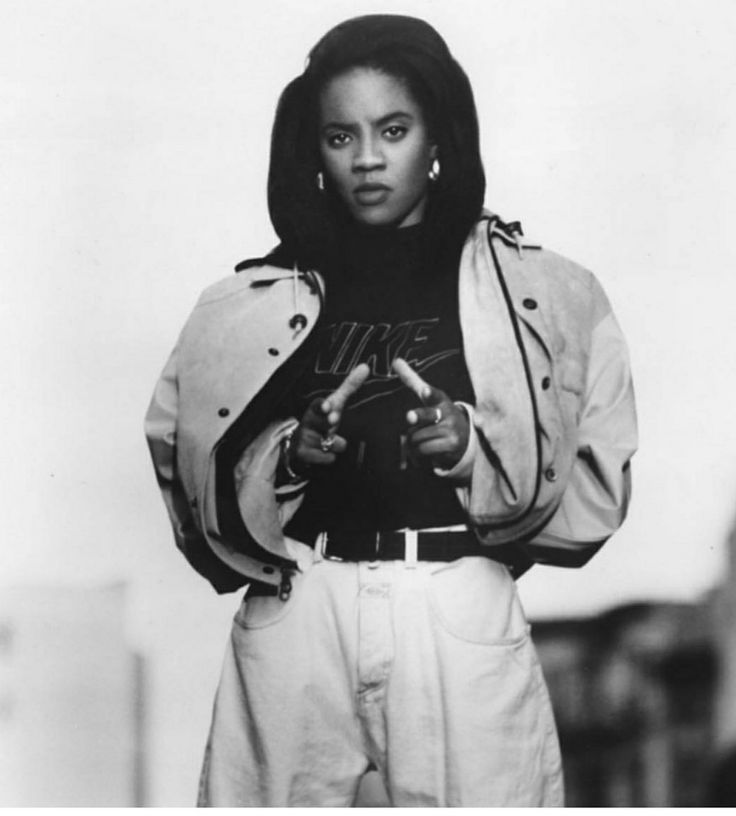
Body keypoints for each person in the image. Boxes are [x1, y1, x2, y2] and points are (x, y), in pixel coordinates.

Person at [144, 14, 637, 807]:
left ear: (439, 137)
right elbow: (183, 475)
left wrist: (474, 449)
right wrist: (290, 457)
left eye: (394, 129)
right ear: (312, 152)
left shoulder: (546, 293)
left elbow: (596, 493)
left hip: (455, 601)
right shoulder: (243, 306)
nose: (367, 159)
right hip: (299, 605)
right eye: (340, 137)